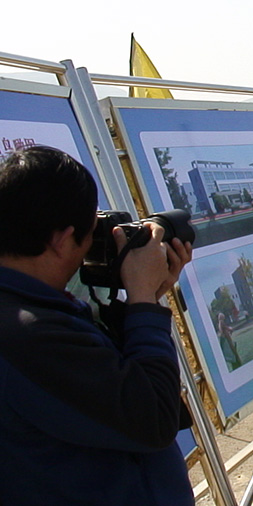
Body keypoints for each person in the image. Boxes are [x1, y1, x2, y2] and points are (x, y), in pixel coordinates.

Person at [0, 146, 194, 505]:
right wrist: (142, 301)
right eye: (91, 233)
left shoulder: (27, 307)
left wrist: (142, 300)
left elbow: (103, 385)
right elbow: (153, 418)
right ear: (61, 240)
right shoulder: (29, 335)